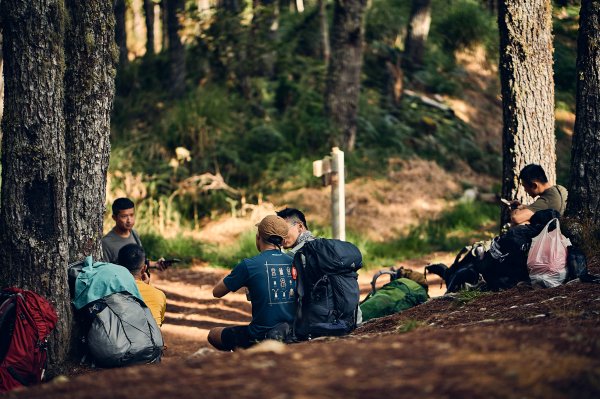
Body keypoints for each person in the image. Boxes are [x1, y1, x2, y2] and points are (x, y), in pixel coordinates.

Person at [207, 215, 295, 351]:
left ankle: (247, 357)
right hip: (292, 333)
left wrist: (237, 274)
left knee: (213, 334)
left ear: (258, 236)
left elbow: (217, 292)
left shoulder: (249, 265)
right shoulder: (295, 262)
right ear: (283, 241)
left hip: (259, 335)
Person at [102, 198, 165, 270]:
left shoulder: (134, 233)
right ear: (114, 218)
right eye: (124, 216)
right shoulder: (106, 243)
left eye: (131, 215)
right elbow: (105, 273)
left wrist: (155, 264)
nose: (129, 220)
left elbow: (137, 262)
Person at [117, 243, 167, 327]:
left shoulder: (110, 292)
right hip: (150, 340)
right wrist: (148, 286)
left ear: (118, 266)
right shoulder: (159, 295)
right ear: (144, 268)